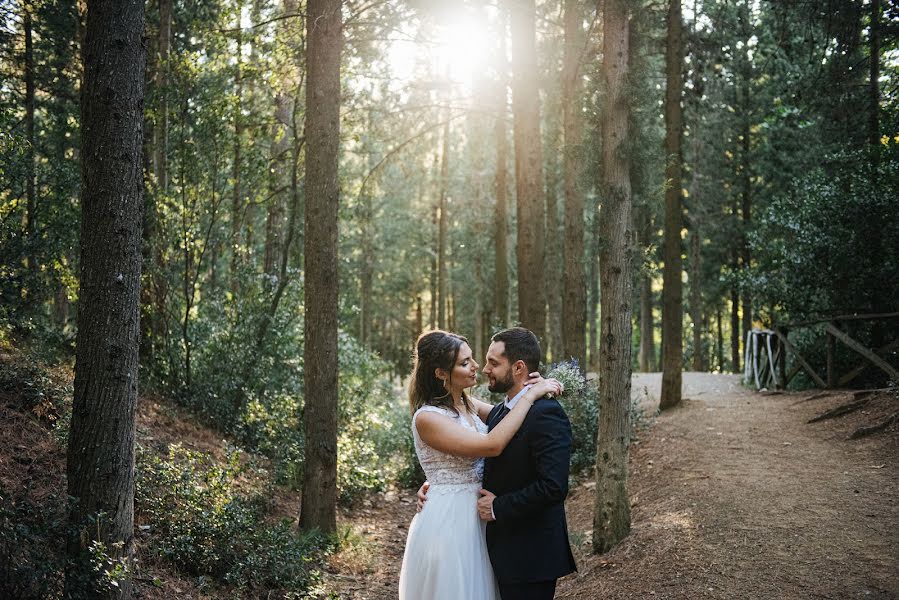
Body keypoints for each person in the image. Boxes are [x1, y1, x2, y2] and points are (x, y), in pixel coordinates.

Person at [398, 329, 563, 600]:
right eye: (465, 363)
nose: (476, 367)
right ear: (440, 373)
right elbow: (492, 445)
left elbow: (511, 415)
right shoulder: (427, 417)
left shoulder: (468, 404)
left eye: (473, 358)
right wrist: (531, 395)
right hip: (450, 520)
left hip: (482, 517)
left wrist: (532, 387)